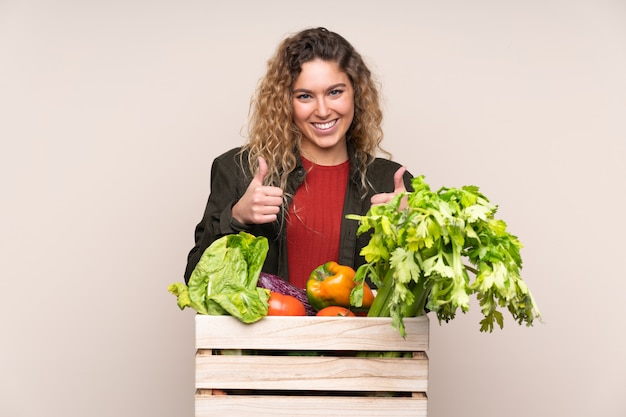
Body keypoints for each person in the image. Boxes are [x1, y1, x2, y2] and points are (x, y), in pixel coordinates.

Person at [184, 27, 413, 288]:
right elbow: (196, 282)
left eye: (335, 92)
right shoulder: (238, 171)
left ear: (356, 94)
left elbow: (426, 302)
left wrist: (409, 232)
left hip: (356, 331)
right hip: (267, 331)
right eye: (305, 96)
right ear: (285, 102)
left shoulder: (389, 182)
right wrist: (236, 217)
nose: (323, 110)